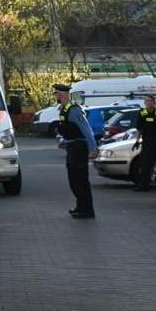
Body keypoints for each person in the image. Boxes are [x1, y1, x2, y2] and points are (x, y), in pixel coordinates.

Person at [53, 83, 98, 218]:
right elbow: (67, 130)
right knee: (74, 180)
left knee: (81, 180)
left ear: (62, 94)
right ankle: (80, 206)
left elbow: (86, 129)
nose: (55, 95)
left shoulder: (74, 110)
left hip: (79, 148)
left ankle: (87, 210)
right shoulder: (64, 109)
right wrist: (63, 141)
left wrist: (93, 148)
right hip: (72, 147)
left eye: (56, 93)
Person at [132, 94, 156, 193]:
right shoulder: (142, 113)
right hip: (148, 141)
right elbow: (139, 129)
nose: (149, 103)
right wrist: (136, 141)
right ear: (144, 103)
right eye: (147, 101)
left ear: (154, 102)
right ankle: (143, 185)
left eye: (150, 101)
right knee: (145, 164)